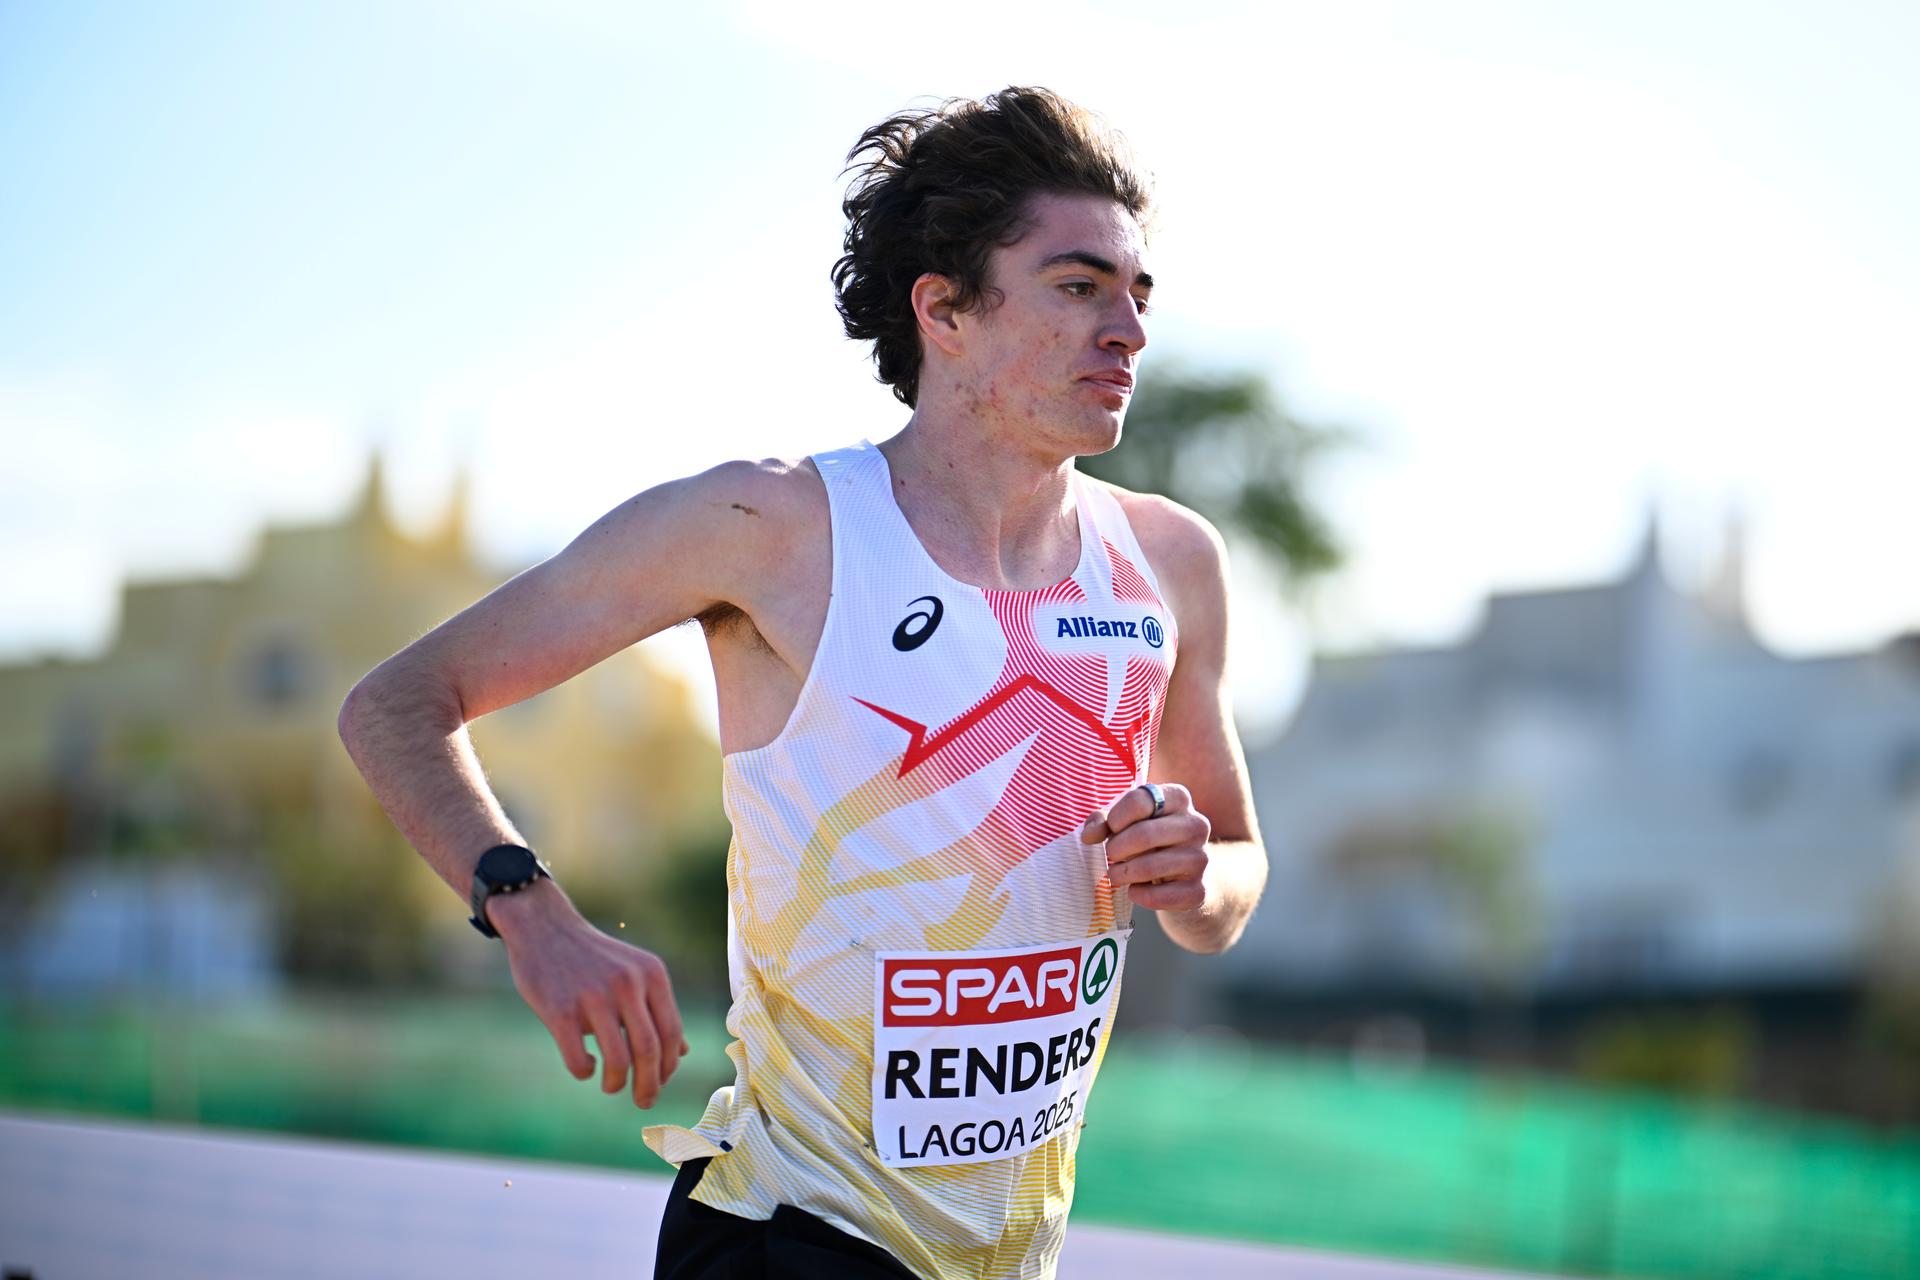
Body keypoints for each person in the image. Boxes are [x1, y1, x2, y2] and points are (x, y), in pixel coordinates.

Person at [338, 85, 1268, 1280]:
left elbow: (1235, 873)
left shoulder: (1172, 561)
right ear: (945, 310)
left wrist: (1198, 876)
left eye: (1139, 295)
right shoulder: (770, 526)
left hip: (1008, 1252)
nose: (1129, 330)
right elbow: (398, 703)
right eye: (1080, 286)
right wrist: (529, 906)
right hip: (791, 1238)